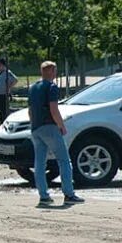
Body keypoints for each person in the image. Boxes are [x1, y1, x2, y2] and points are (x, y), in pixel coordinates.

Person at [28, 60, 83, 205]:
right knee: (64, 160)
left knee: (39, 163)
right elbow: (53, 109)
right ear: (51, 71)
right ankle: (69, 193)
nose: (55, 73)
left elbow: (30, 110)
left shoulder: (33, 87)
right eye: (55, 71)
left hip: (36, 128)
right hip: (50, 127)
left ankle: (43, 195)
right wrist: (61, 125)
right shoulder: (51, 87)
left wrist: (33, 125)